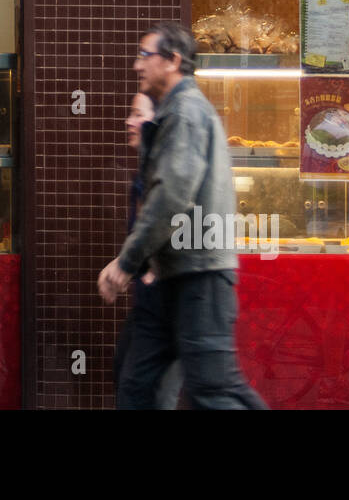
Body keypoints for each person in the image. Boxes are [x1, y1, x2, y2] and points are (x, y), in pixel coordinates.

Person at [97, 22, 268, 410]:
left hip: (201, 276)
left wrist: (127, 262)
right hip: (178, 276)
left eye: (145, 55)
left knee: (215, 390)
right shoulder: (175, 111)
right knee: (137, 384)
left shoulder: (187, 112)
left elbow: (171, 195)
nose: (137, 65)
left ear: (173, 60)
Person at [113, 91, 185, 409]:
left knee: (154, 393)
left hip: (173, 307)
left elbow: (180, 219)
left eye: (138, 115)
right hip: (152, 307)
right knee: (128, 377)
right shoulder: (146, 172)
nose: (129, 121)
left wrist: (153, 266)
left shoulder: (166, 172)